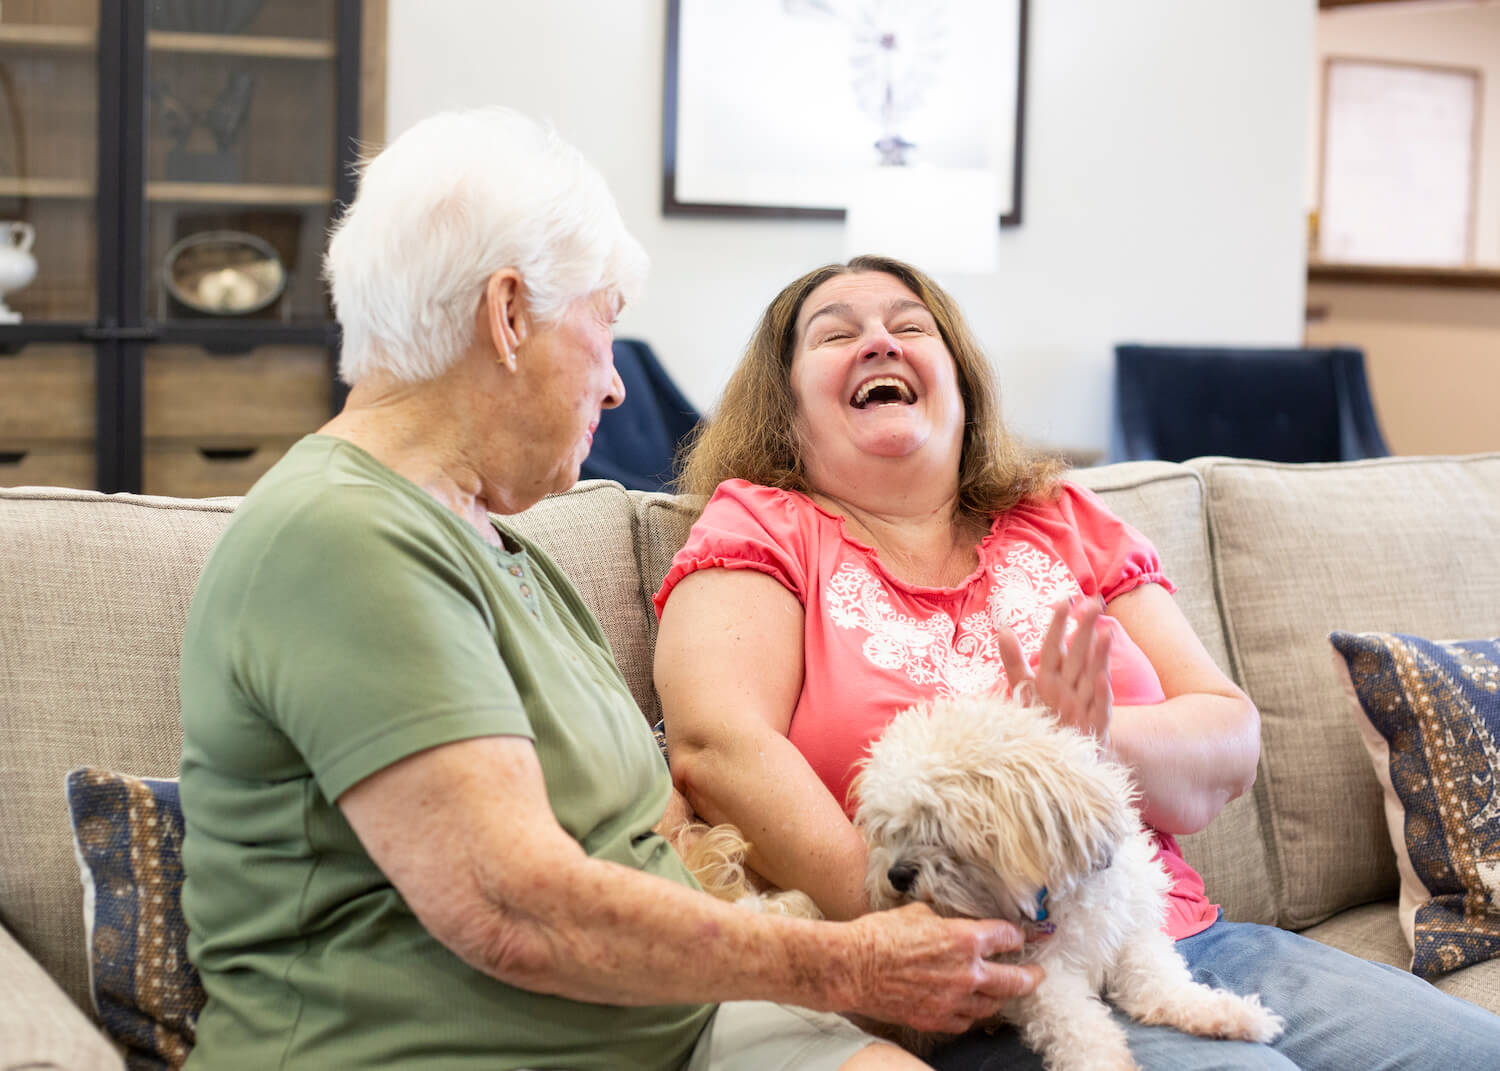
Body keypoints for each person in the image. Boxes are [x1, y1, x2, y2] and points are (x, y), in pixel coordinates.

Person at [176, 115, 1045, 1071]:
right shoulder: (338, 535)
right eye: (605, 319)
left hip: (688, 1024)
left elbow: (659, 828)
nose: (618, 385)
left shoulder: (506, 550)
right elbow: (510, 904)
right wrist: (847, 963)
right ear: (509, 316)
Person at [652, 254, 1500, 1071]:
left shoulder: (1061, 516)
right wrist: (905, 939)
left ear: (962, 383)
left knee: (1474, 1053)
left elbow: (1229, 740)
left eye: (911, 326)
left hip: (1167, 928)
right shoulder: (760, 525)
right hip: (986, 985)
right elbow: (717, 744)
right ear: (785, 407)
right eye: (836, 335)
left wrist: (1084, 739)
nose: (879, 341)